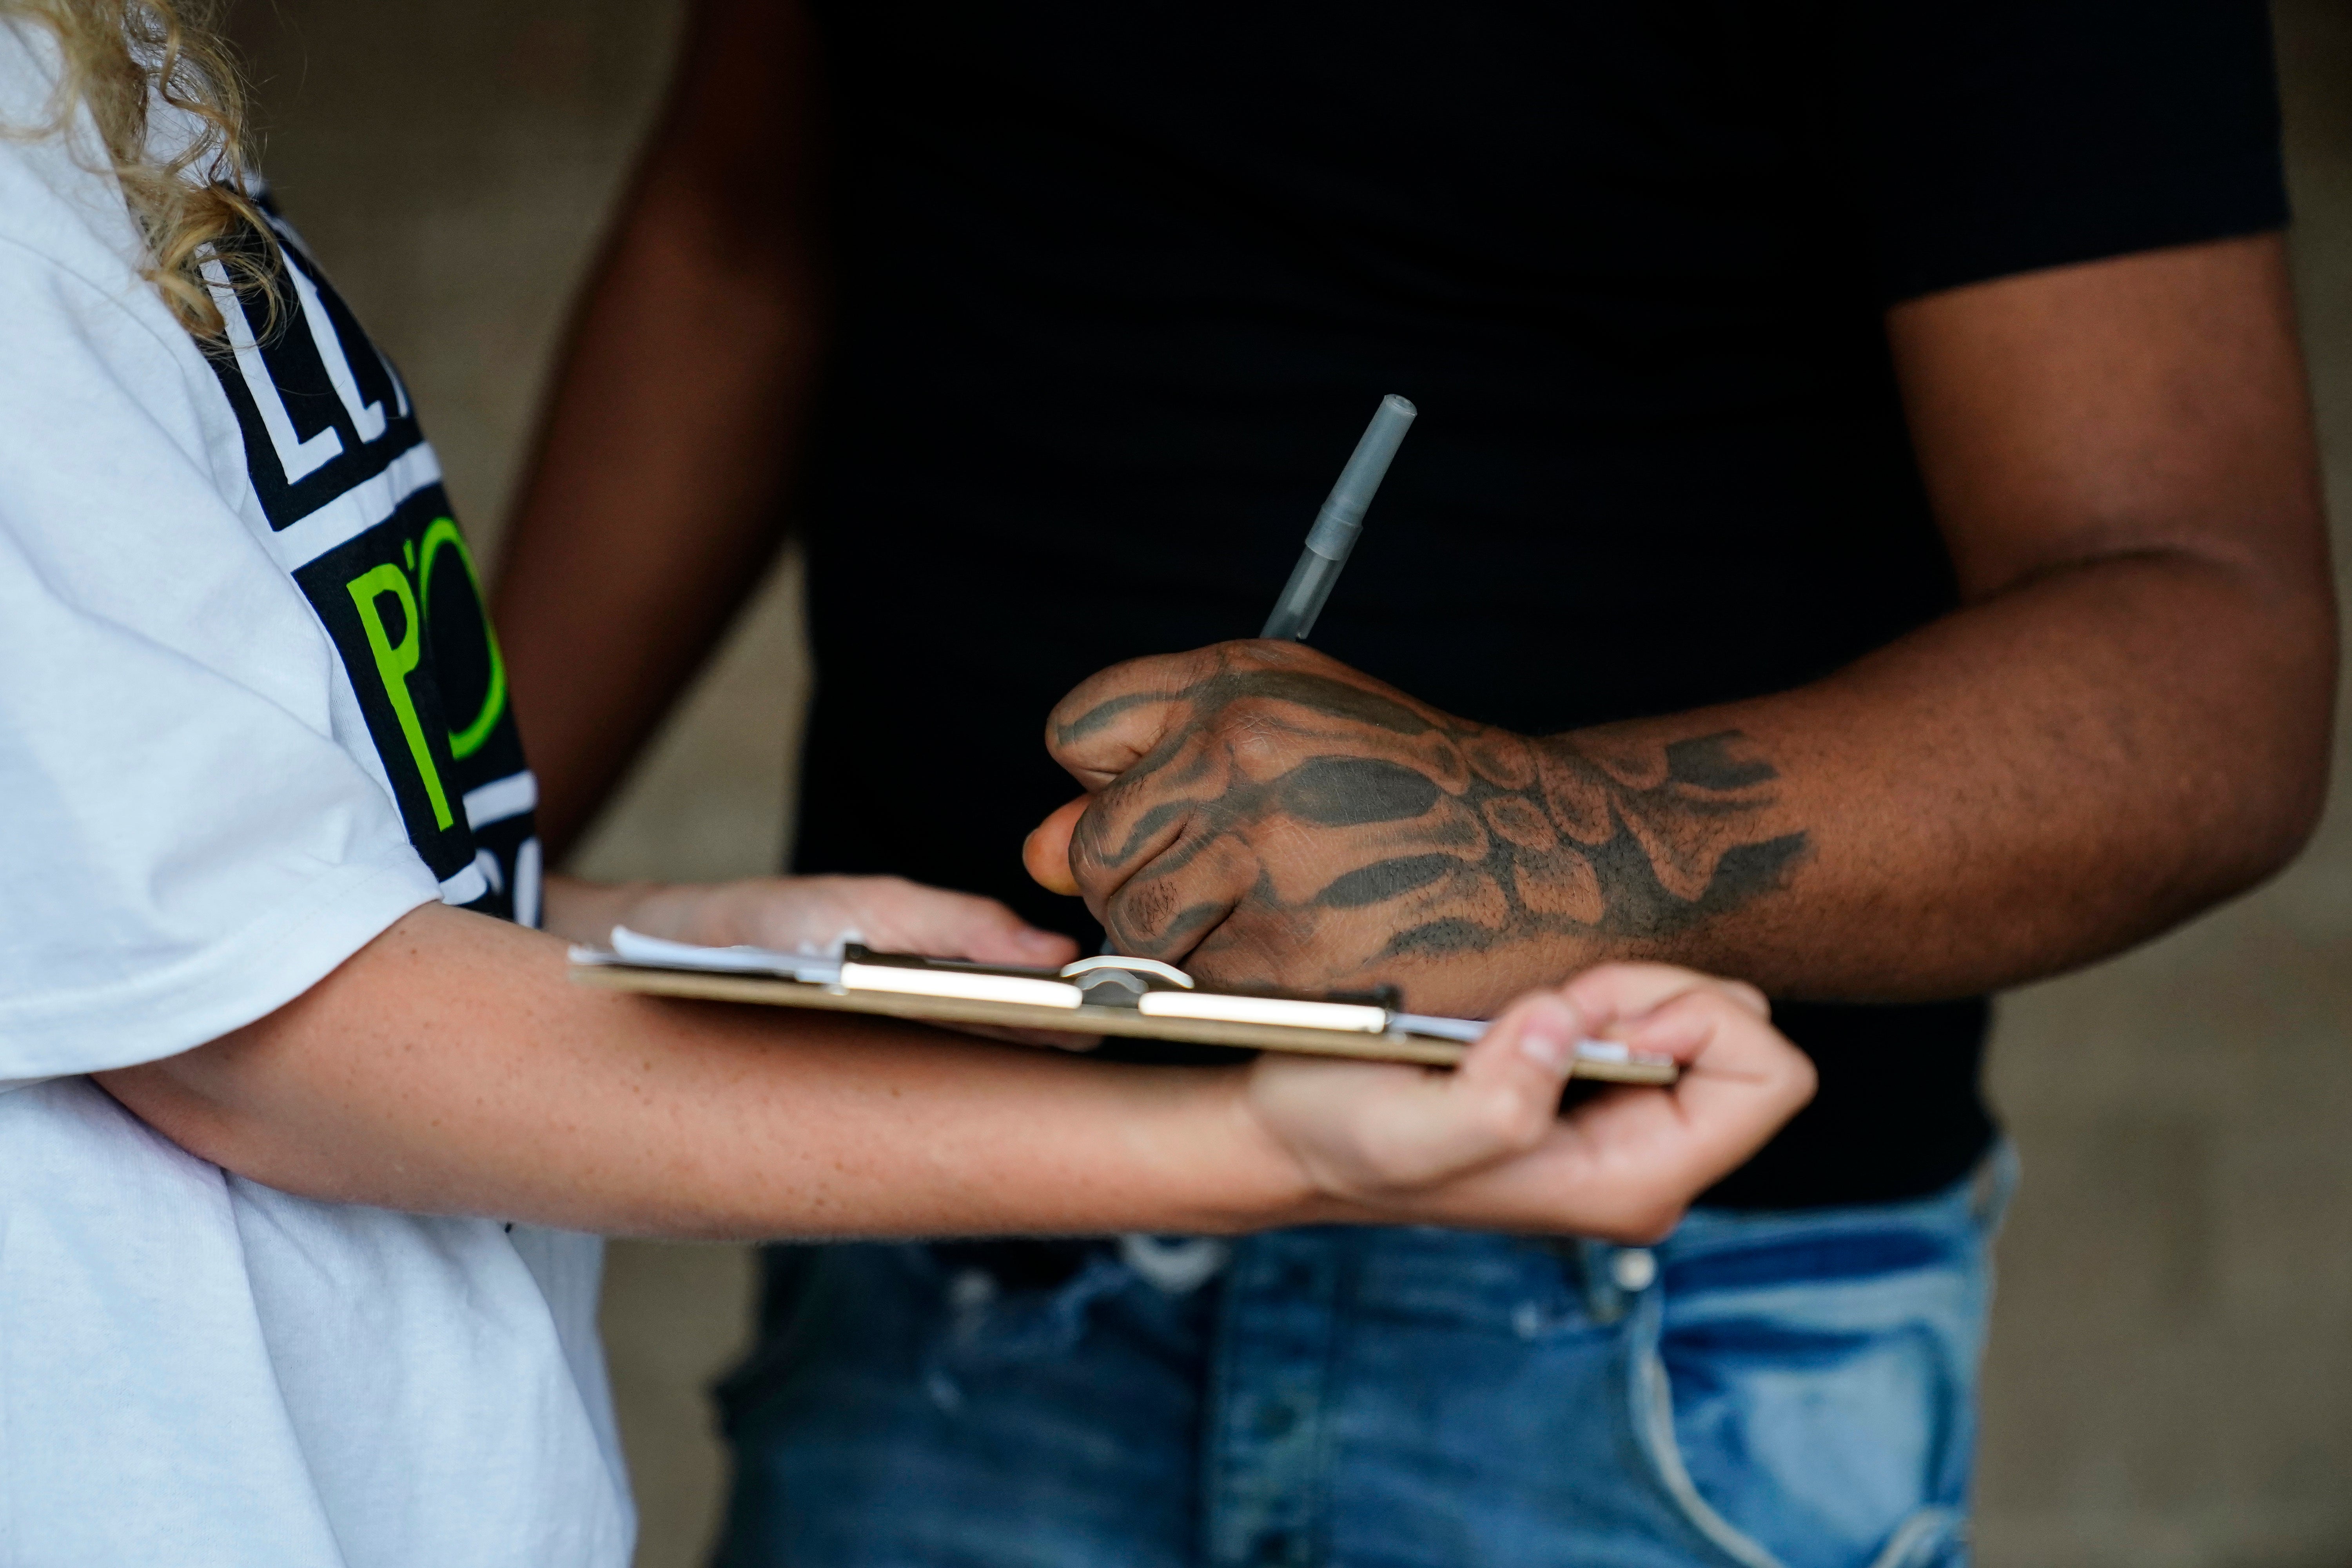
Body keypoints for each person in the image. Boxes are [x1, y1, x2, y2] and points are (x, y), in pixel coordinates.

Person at [492, 0, 2337, 1563]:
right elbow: (740, 233)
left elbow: (2209, 640)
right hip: (937, 1237)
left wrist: (1540, 840)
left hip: (1641, 1302)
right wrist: (443, 880)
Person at [0, 5, 1822, 1566]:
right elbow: (261, 1035)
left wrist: (694, 943)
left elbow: (144, 900)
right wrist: (1271, 1144)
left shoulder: (89, 68)